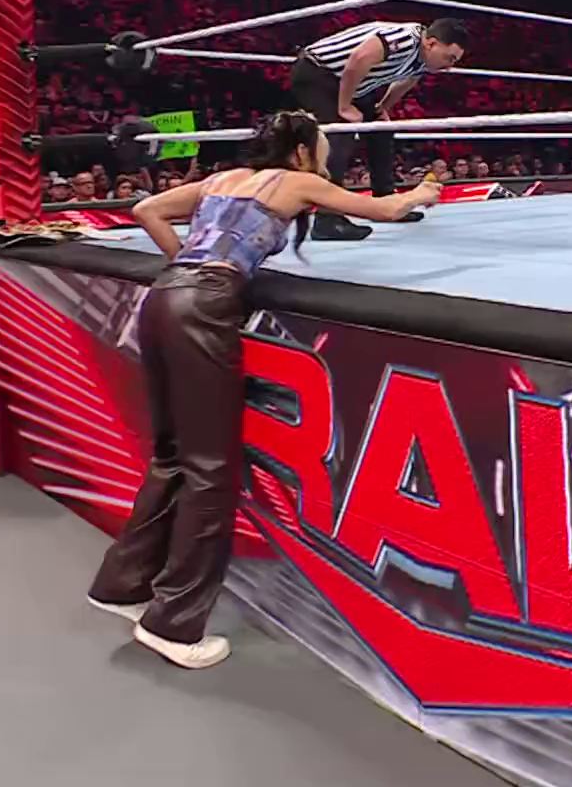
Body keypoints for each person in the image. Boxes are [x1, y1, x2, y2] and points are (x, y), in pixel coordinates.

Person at [86, 111, 442, 670]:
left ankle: (122, 584)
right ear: (301, 151)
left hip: (164, 298)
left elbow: (145, 209)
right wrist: (423, 191)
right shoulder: (296, 182)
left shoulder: (223, 179)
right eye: (320, 146)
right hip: (204, 307)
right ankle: (172, 624)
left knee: (173, 456)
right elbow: (386, 210)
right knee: (211, 471)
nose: (324, 156)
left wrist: (185, 263)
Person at [288, 18, 469, 240]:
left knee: (380, 129)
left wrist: (382, 107)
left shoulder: (423, 58)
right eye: (449, 58)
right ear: (431, 43)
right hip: (318, 74)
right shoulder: (404, 39)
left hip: (352, 84)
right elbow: (358, 59)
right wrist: (344, 106)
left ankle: (387, 202)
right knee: (340, 135)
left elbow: (407, 81)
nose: (449, 66)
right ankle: (327, 219)